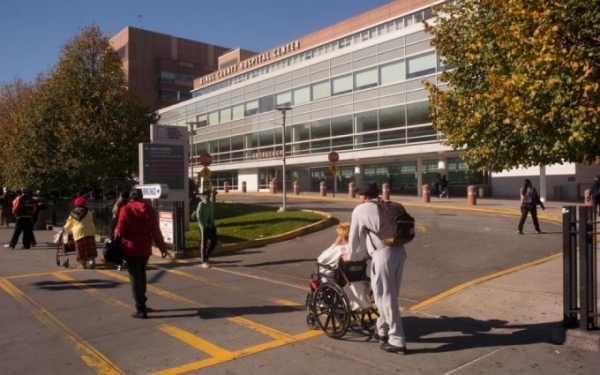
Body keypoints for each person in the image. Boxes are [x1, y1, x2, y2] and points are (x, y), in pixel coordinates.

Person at [344, 182, 408, 354]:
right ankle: (382, 330)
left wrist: (351, 257)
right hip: (399, 252)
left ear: (363, 196)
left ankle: (397, 339)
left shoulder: (360, 210)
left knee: (384, 298)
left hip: (383, 256)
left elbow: (355, 239)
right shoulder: (386, 205)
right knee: (389, 295)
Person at [115, 188, 167, 319]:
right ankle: (142, 300)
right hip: (145, 249)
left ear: (130, 198)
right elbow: (156, 231)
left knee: (134, 278)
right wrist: (162, 248)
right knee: (141, 275)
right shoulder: (150, 210)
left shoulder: (125, 209)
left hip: (131, 248)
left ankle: (140, 308)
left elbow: (120, 231)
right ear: (142, 197)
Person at [63, 197, 97, 268]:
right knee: (90, 247)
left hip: (79, 233)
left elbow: (68, 225)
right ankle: (92, 262)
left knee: (81, 249)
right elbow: (90, 219)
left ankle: (83, 264)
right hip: (90, 230)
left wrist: (64, 229)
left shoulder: (73, 213)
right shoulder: (88, 211)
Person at [196, 189, 217, 268]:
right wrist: (203, 225)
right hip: (203, 227)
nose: (208, 196)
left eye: (209, 195)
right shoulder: (201, 204)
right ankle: (203, 261)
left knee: (214, 241)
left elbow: (212, 215)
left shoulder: (210, 204)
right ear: (204, 196)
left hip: (210, 226)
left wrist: (213, 224)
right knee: (203, 243)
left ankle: (207, 256)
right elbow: (199, 216)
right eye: (207, 195)